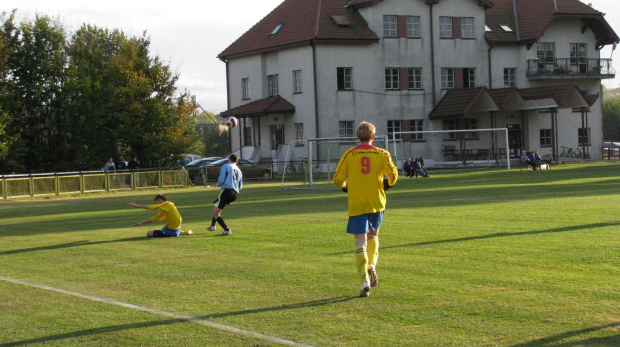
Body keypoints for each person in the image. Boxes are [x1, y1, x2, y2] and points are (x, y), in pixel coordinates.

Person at [333, 121, 398, 297]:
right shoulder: (382, 154)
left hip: (357, 203)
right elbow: (393, 174)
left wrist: (345, 186)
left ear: (357, 136)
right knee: (373, 236)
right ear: (373, 137)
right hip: (376, 202)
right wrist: (387, 184)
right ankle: (372, 265)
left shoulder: (349, 154)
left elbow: (338, 178)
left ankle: (364, 281)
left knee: (359, 243)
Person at [207, 154, 243, 236]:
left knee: (215, 213)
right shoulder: (239, 170)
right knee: (217, 206)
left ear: (228, 159)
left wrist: (217, 184)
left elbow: (221, 179)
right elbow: (240, 186)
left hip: (227, 191)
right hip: (235, 193)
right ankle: (213, 225)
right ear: (237, 162)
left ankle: (227, 230)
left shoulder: (226, 166)